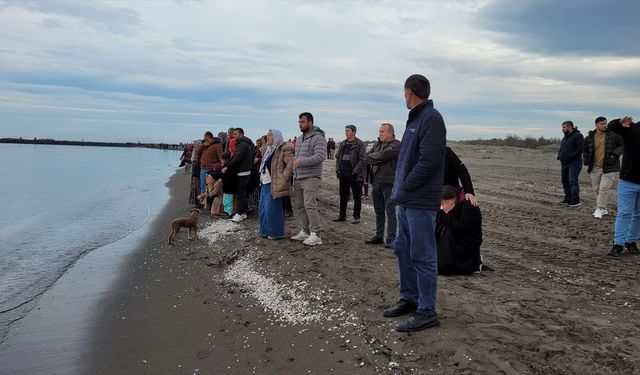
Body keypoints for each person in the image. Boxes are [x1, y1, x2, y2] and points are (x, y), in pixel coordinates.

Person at [383, 74, 446, 332]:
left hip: (419, 201)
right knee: (402, 249)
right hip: (406, 201)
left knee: (423, 256)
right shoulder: (415, 119)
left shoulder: (431, 118)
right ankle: (409, 298)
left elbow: (429, 161)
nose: (403, 96)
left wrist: (406, 184)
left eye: (404, 91)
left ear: (409, 91)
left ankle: (427, 310)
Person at [290, 112, 327, 246]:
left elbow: (320, 156)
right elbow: (297, 157)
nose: (300, 124)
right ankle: (305, 231)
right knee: (301, 206)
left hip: (311, 177)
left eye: (303, 122)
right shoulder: (299, 138)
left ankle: (316, 234)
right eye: (299, 122)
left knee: (310, 205)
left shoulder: (319, 138)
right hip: (298, 176)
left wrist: (301, 162)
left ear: (310, 122)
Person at [606, 116, 640, 256]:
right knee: (624, 213)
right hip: (628, 181)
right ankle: (618, 244)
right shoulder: (632, 129)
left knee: (639, 215)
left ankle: (631, 242)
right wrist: (619, 123)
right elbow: (612, 127)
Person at [363, 123, 401, 248]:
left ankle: (391, 239)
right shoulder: (377, 144)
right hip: (376, 181)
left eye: (383, 131)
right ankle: (379, 236)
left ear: (391, 133)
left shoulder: (396, 145)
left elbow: (383, 156)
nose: (380, 134)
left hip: (389, 182)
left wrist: (376, 157)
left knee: (390, 211)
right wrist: (376, 157)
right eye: (379, 131)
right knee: (378, 210)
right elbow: (368, 157)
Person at [583, 116, 623, 219]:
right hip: (595, 167)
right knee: (596, 189)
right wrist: (586, 160)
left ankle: (599, 209)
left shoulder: (614, 136)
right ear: (596, 124)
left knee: (603, 188)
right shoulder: (589, 137)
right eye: (602, 123)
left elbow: (622, 145)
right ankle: (603, 208)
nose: (605, 125)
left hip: (610, 167)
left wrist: (614, 155)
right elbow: (586, 150)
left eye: (605, 123)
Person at [436, 185, 483, 274]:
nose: (441, 205)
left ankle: (475, 263)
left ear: (451, 200)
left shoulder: (469, 207)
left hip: (465, 244)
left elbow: (460, 230)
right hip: (451, 241)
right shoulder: (445, 207)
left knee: (442, 267)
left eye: (442, 202)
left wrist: (448, 212)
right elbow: (437, 225)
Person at [258, 129, 294, 239]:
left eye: (270, 135)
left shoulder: (284, 148)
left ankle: (275, 233)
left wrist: (283, 178)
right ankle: (264, 231)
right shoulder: (268, 149)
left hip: (275, 183)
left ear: (276, 136)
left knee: (273, 210)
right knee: (263, 209)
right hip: (264, 181)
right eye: (268, 135)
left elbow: (290, 164)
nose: (268, 137)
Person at [333, 124, 366, 224]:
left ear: (354, 132)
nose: (346, 132)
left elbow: (362, 159)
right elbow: (338, 157)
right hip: (343, 173)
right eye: (345, 131)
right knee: (343, 195)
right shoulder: (343, 143)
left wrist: (354, 172)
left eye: (348, 131)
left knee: (356, 195)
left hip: (354, 174)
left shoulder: (360, 144)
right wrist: (337, 170)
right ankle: (342, 215)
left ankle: (356, 217)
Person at [226, 128, 254, 222]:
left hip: (243, 172)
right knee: (242, 193)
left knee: (241, 193)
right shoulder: (242, 144)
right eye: (233, 134)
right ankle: (243, 212)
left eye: (236, 134)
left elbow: (237, 158)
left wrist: (227, 166)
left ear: (241, 134)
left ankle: (239, 214)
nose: (234, 135)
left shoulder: (242, 145)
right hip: (243, 171)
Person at [557, 121, 584, 207]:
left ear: (570, 127)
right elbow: (561, 148)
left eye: (564, 127)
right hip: (564, 163)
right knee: (565, 181)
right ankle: (568, 199)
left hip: (574, 163)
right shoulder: (565, 138)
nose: (563, 129)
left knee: (572, 181)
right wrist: (559, 156)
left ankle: (576, 200)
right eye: (563, 127)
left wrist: (571, 156)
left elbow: (581, 148)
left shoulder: (578, 136)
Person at [199, 131, 223, 196]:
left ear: (207, 136)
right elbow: (197, 152)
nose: (203, 138)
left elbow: (221, 158)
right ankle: (203, 202)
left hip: (212, 169)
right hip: (203, 168)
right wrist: (203, 145)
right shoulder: (203, 145)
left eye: (204, 136)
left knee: (211, 187)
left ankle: (208, 203)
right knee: (203, 186)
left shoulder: (217, 145)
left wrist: (222, 168)